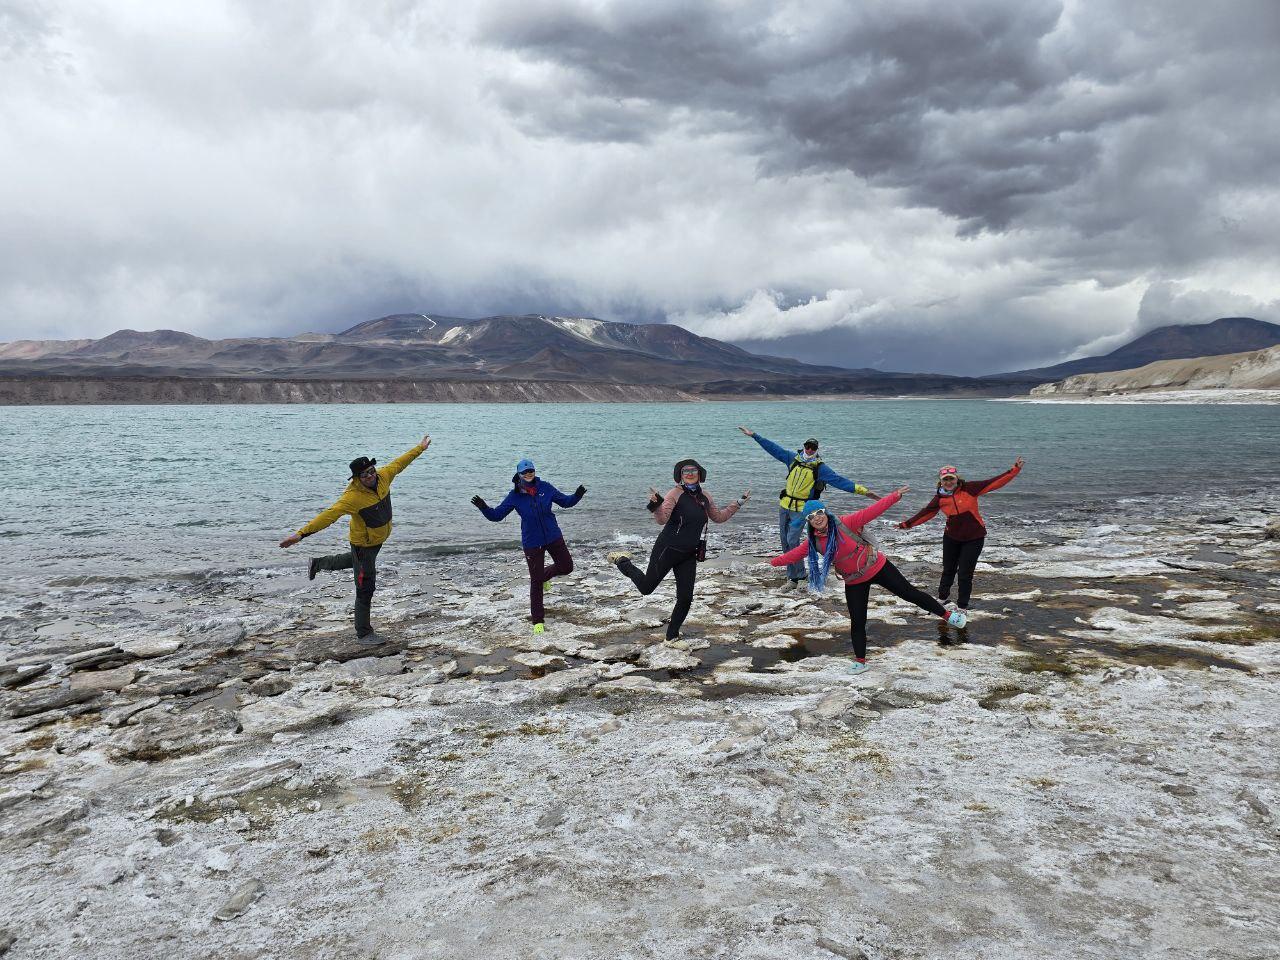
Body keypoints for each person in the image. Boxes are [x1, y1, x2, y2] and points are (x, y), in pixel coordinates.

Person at [770, 493, 967, 675]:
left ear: (825, 512)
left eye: (819, 512)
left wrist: (895, 496)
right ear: (809, 522)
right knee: (857, 621)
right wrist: (772, 562)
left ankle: (949, 616)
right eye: (811, 516)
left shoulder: (845, 523)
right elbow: (793, 555)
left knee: (910, 594)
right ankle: (861, 661)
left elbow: (873, 510)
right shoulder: (813, 542)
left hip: (877, 566)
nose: (817, 518)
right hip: (854, 580)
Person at [279, 434, 431, 640]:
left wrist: (420, 448)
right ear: (356, 479)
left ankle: (317, 563)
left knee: (357, 561)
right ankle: (364, 633)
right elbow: (327, 516)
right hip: (363, 544)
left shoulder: (384, 475)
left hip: (377, 541)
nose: (369, 476)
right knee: (365, 587)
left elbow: (400, 462)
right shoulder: (351, 498)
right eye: (364, 475)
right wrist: (300, 534)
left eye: (371, 471)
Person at [607, 459, 749, 642]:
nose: (689, 474)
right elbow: (662, 519)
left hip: (689, 553)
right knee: (646, 588)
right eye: (685, 471)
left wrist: (738, 503)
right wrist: (656, 506)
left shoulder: (705, 496)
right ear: (680, 476)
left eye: (693, 471)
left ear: (700, 474)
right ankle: (622, 561)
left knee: (685, 598)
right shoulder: (675, 493)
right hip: (667, 549)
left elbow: (719, 517)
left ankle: (671, 637)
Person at [737, 427, 879, 588]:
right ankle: (793, 576)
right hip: (784, 506)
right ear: (804, 446)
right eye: (807, 446)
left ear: (817, 450)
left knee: (792, 540)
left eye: (813, 448)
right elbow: (774, 449)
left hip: (801, 510)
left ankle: (800, 575)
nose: (809, 450)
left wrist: (866, 492)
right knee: (785, 541)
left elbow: (840, 481)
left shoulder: (820, 468)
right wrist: (755, 436)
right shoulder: (793, 458)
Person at [471, 459, 586, 634]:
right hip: (532, 542)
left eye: (531, 470)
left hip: (553, 535)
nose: (528, 473)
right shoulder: (514, 496)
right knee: (536, 581)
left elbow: (565, 502)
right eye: (525, 472)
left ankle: (544, 576)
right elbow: (496, 516)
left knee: (566, 567)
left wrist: (577, 495)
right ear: (519, 474)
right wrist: (484, 507)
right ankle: (538, 621)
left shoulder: (545, 487)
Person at [897, 457, 1025, 612]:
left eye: (951, 479)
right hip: (951, 538)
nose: (948, 482)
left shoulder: (970, 488)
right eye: (945, 480)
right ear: (941, 481)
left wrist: (1014, 469)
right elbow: (925, 514)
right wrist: (906, 524)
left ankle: (963, 606)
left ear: (957, 479)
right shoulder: (939, 498)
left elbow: (995, 482)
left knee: (965, 573)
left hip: (974, 537)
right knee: (948, 569)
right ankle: (942, 599)